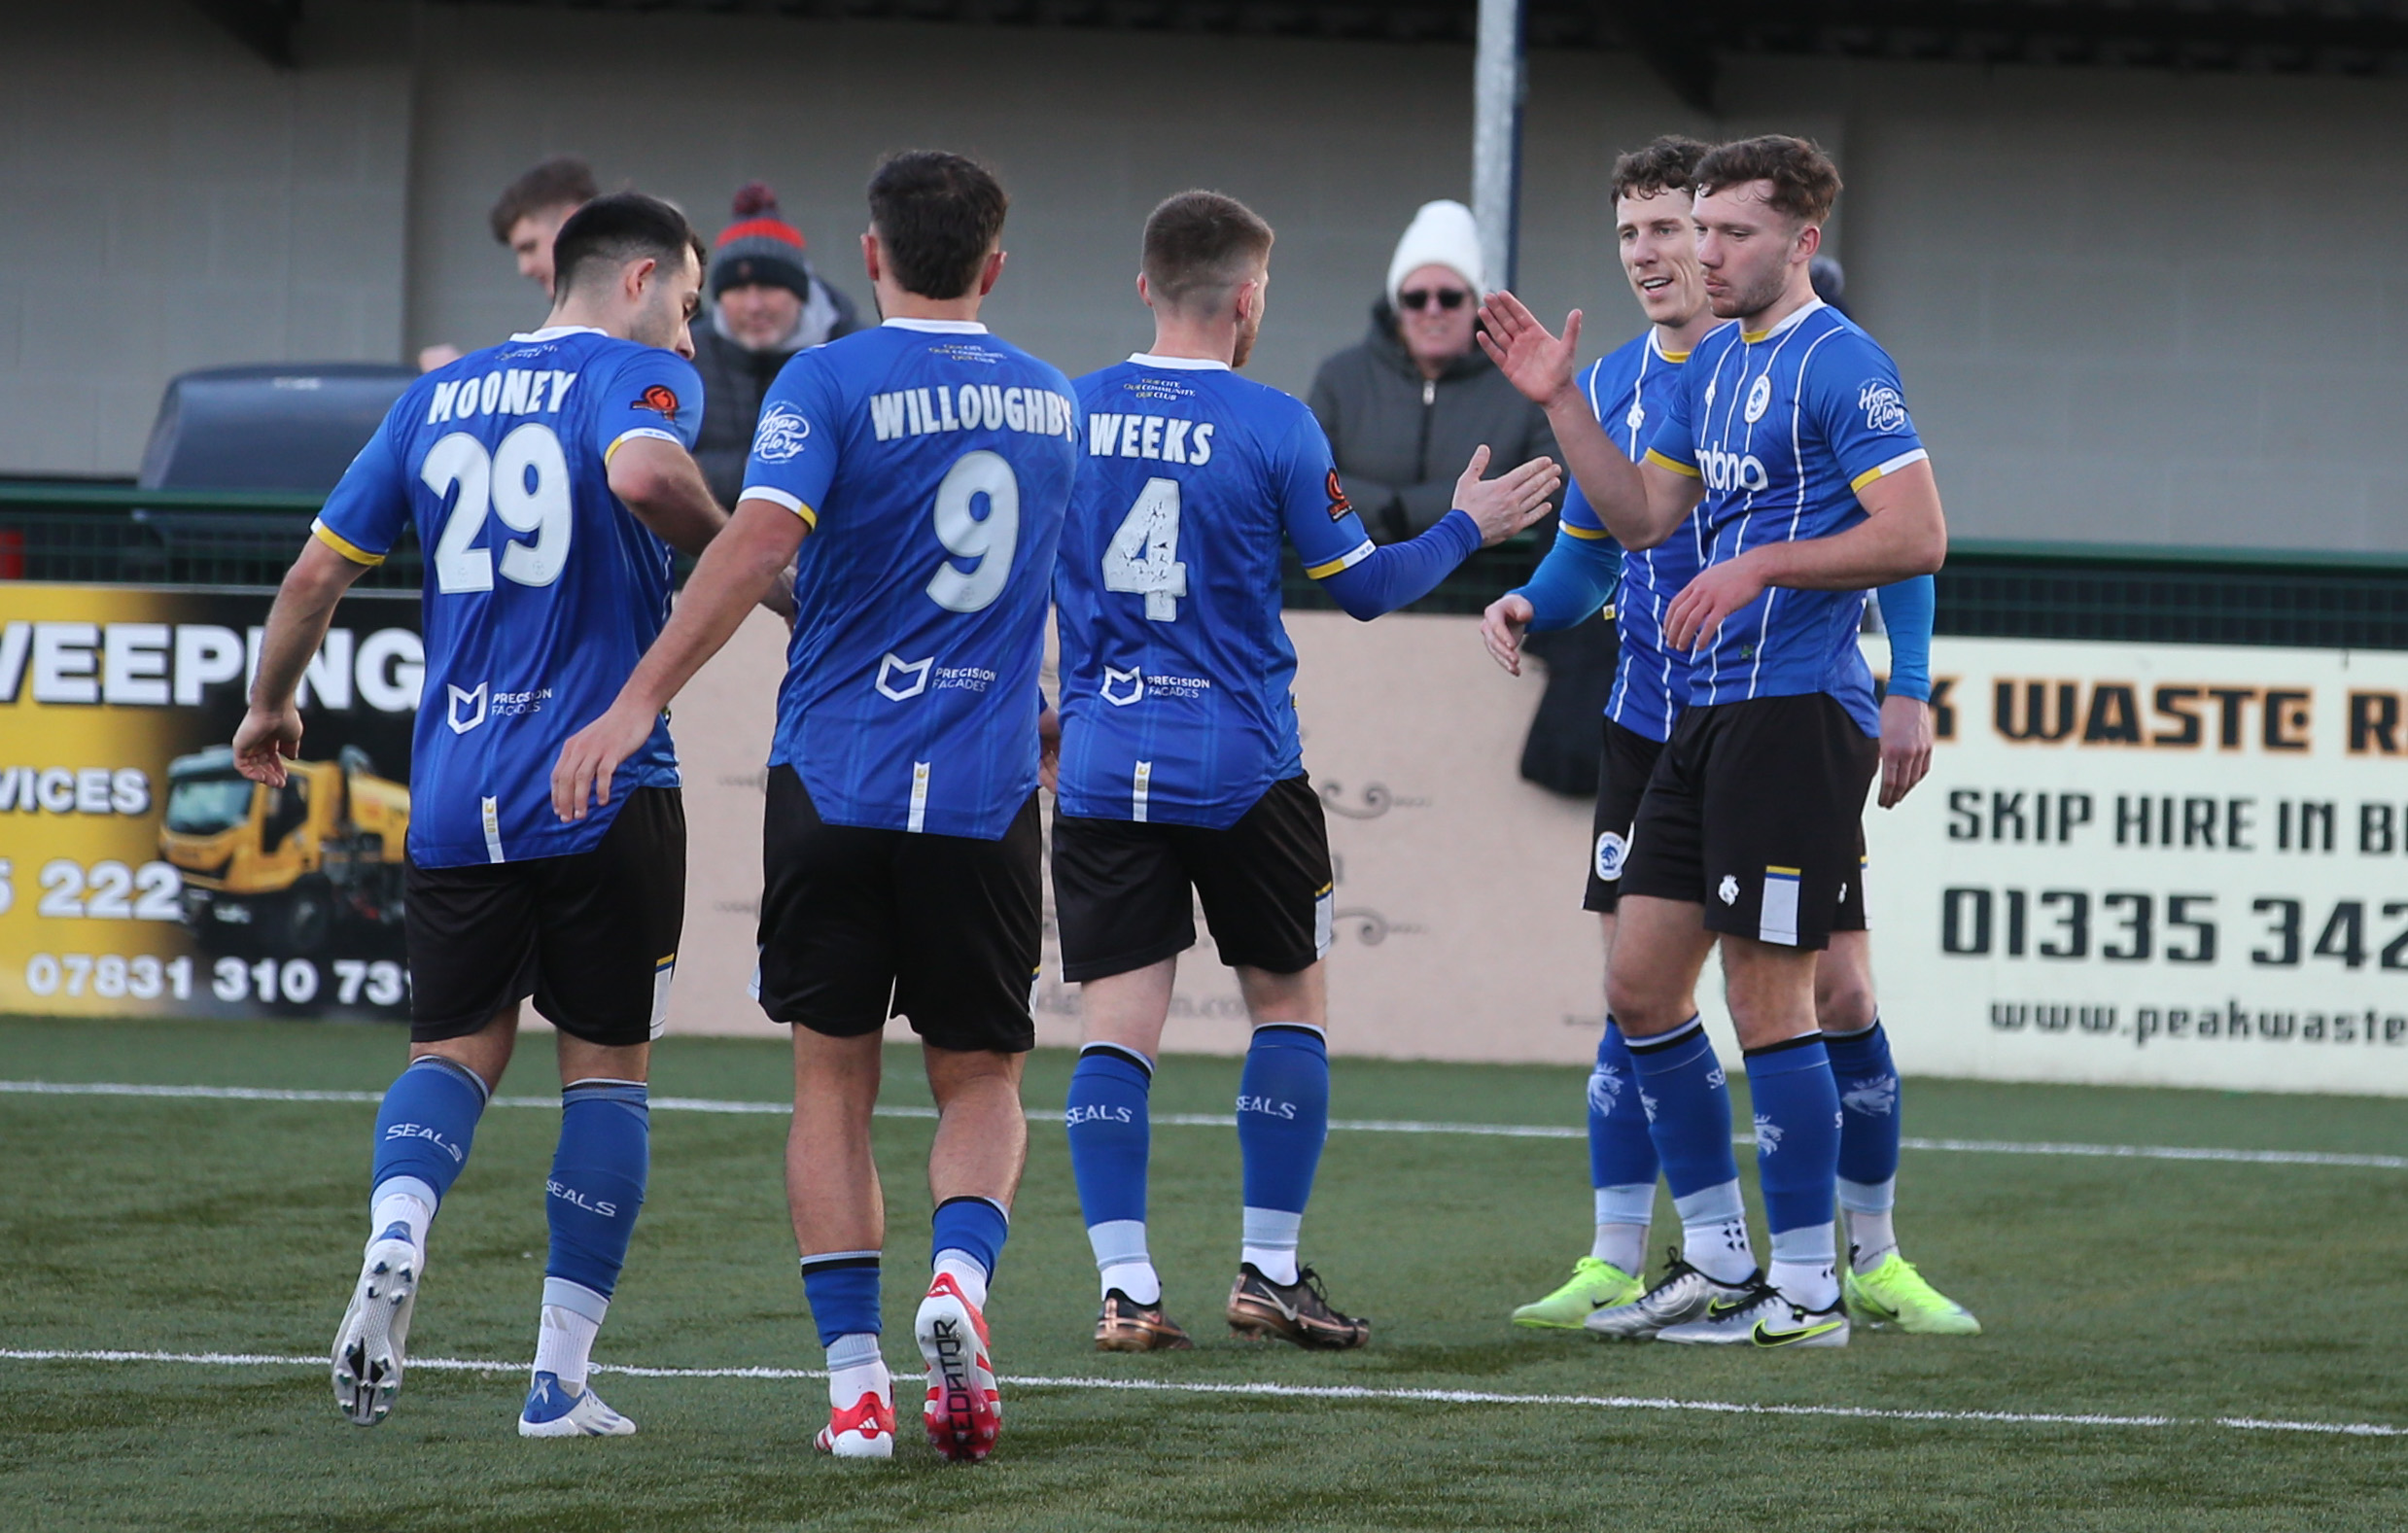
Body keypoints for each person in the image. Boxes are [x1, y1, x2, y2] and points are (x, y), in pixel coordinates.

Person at [549, 151, 1075, 1465]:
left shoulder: (827, 380)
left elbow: (754, 544)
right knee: (984, 1074)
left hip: (833, 778)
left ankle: (855, 1383)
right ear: (995, 266)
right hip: (982, 788)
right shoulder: (1054, 402)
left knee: (830, 1083)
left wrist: (634, 698)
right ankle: (958, 1286)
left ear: (873, 255)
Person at [242, 193, 748, 1435]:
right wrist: (749, 557)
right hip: (600, 786)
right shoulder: (636, 377)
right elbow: (640, 472)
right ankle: (557, 1379)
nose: (687, 340)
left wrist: (268, 707)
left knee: (451, 1053)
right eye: (685, 306)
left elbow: (314, 574)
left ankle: (399, 1227)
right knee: (606, 1078)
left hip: (458, 792)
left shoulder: (435, 396)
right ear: (635, 281)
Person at [1053, 192, 1562, 1354]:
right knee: (1287, 1006)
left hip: (1100, 759)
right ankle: (1269, 1271)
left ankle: (1124, 1284)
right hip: (1239, 765)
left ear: (1145, 286)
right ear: (1247, 298)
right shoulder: (1276, 422)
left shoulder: (1068, 412)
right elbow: (1367, 585)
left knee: (1114, 1029)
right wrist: (1465, 526)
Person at [1483, 137, 1976, 1340]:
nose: (1701, 254)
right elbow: (1641, 516)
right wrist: (1556, 399)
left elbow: (1916, 536)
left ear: (1799, 241)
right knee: (1640, 984)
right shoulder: (1704, 372)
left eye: (1726, 233)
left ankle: (1816, 1279)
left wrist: (1764, 565)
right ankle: (1712, 1253)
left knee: (1778, 1001)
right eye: (1688, 230)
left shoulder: (1843, 363)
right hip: (1691, 717)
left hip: (1793, 716)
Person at [1308, 199, 1555, 544]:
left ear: (1474, 304)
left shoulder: (1522, 387)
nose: (1433, 310)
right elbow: (1307, 477)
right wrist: (1387, 510)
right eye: (1416, 298)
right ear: (1398, 307)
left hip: (1484, 589)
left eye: (1450, 297)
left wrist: (1407, 512)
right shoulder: (1340, 379)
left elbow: (1548, 484)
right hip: (1359, 591)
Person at [690, 182, 864, 506]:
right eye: (738, 290)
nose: (754, 306)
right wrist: (763, 470)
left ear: (801, 294)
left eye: (769, 287)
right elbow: (665, 466)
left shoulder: (850, 353)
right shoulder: (689, 355)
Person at [419, 157, 601, 372]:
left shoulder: (634, 305)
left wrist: (462, 376)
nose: (524, 268)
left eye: (530, 246)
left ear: (573, 221)